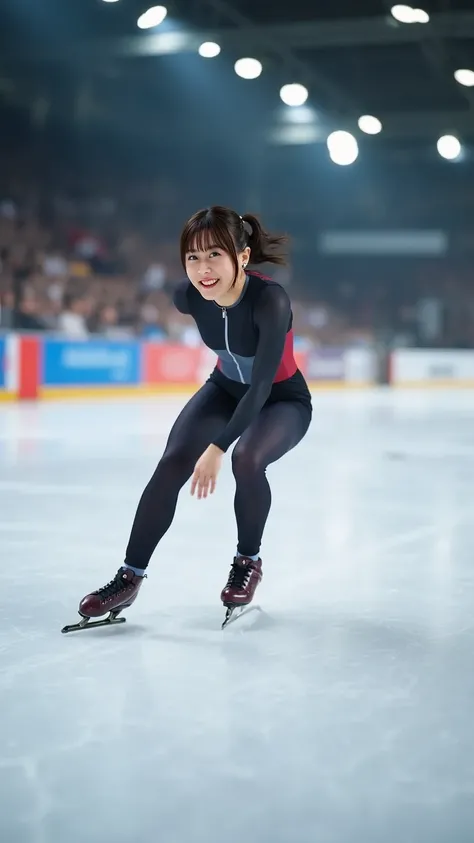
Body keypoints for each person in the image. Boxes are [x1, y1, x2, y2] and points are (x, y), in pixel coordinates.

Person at [62, 206, 312, 633]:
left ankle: (247, 562)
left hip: (280, 399)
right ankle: (128, 577)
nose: (203, 269)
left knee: (246, 459)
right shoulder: (188, 296)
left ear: (244, 257)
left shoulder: (271, 301)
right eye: (192, 258)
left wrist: (218, 447)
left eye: (215, 255)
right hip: (223, 388)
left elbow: (263, 386)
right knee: (171, 464)